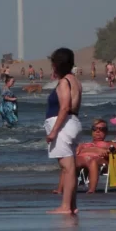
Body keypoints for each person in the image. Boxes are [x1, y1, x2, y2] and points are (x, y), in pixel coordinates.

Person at [45, 48, 82, 215]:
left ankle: (66, 206)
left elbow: (65, 107)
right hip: (72, 123)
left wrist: (53, 131)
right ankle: (72, 205)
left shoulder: (64, 83)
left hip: (63, 126)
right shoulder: (75, 80)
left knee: (67, 167)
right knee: (70, 166)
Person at [72, 119, 114, 193]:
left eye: (101, 129)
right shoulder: (85, 144)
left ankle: (91, 189)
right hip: (82, 160)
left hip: (97, 161)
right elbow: (75, 152)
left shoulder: (108, 144)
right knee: (69, 162)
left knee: (92, 161)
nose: (97, 131)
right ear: (92, 131)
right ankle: (62, 188)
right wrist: (80, 148)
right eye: (95, 129)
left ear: (106, 132)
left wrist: (109, 151)